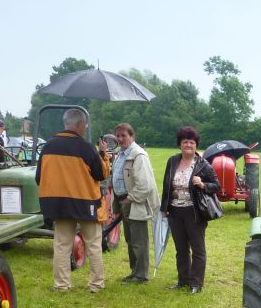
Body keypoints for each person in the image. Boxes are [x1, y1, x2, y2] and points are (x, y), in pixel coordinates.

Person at [35, 108, 110, 293]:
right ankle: (96, 284)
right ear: (79, 125)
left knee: (62, 245)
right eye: (85, 125)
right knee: (93, 244)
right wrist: (103, 154)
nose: (85, 128)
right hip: (86, 204)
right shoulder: (85, 148)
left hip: (58, 204)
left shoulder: (48, 147)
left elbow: (39, 178)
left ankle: (62, 285)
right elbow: (101, 174)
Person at [160, 126, 219, 294]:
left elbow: (216, 186)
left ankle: (196, 283)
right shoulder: (172, 161)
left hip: (195, 212)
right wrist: (164, 208)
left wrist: (202, 184)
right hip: (175, 211)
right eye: (185, 141)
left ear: (196, 145)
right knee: (181, 249)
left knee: (198, 250)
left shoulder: (203, 164)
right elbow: (166, 185)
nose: (188, 145)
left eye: (191, 142)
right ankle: (183, 280)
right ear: (179, 144)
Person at [112, 123, 159, 285]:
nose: (120, 139)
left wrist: (130, 198)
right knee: (130, 239)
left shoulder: (138, 155)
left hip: (134, 202)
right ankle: (135, 272)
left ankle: (141, 275)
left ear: (132, 137)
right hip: (125, 201)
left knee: (139, 240)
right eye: (117, 136)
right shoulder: (122, 154)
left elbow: (145, 184)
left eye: (124, 135)